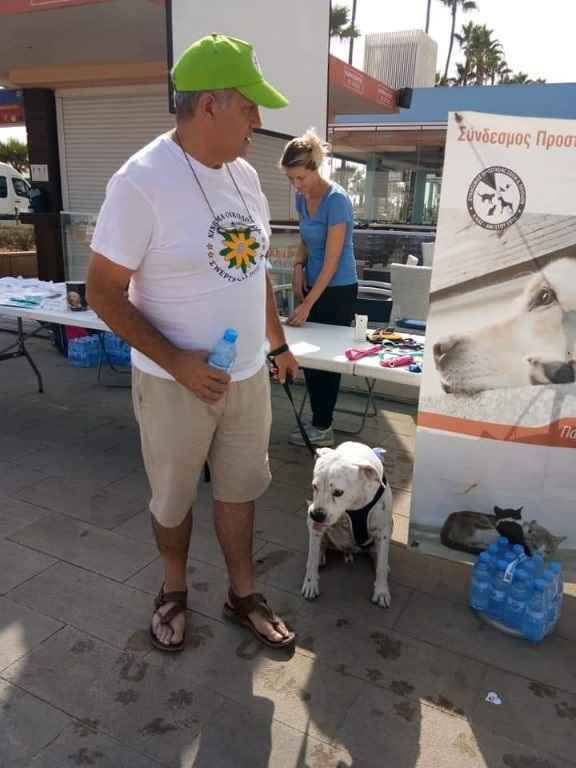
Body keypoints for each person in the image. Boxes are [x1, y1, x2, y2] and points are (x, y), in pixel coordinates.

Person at [86, 33, 299, 652]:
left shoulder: (247, 178)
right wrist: (177, 361)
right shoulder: (140, 182)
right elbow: (102, 293)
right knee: (174, 496)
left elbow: (252, 269)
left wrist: (278, 345)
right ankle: (173, 589)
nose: (259, 123)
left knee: (241, 489)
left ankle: (242, 594)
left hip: (247, 376)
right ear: (210, 106)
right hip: (171, 381)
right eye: (250, 108)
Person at [280, 129, 358, 448]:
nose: (296, 185)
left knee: (328, 360)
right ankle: (318, 421)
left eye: (300, 177)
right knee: (309, 357)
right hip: (312, 283)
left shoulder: (336, 200)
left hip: (338, 288)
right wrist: (298, 268)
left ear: (314, 168)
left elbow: (331, 261)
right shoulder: (302, 197)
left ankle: (324, 425)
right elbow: (306, 241)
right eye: (291, 179)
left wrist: (308, 304)